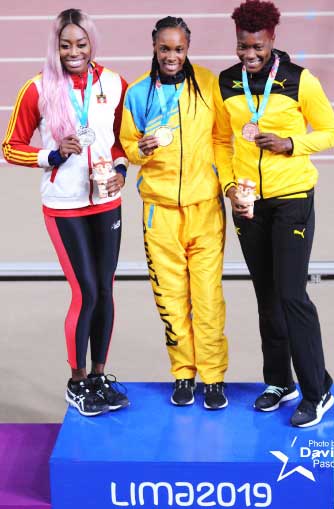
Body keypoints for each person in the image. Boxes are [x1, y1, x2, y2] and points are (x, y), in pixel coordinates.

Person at [214, 0, 334, 427]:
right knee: (266, 298)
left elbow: (330, 132)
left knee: (291, 296)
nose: (249, 55)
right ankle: (279, 381)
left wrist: (292, 144)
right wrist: (230, 186)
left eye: (258, 47)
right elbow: (221, 141)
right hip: (249, 202)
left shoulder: (299, 81)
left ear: (272, 40)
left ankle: (316, 389)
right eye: (243, 47)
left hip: (291, 199)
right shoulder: (227, 83)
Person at [2, 8, 130, 417]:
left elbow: (121, 141)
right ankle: (76, 382)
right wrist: (51, 155)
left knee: (107, 290)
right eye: (65, 45)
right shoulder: (38, 88)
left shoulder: (112, 83)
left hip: (106, 200)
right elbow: (10, 146)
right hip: (65, 206)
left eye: (81, 43)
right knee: (87, 292)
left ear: (92, 43)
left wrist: (122, 171)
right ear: (55, 47)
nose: (74, 52)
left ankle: (98, 376)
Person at [120, 16, 228, 409]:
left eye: (178, 49)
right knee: (170, 299)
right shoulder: (137, 93)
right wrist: (138, 150)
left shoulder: (208, 84)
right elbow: (127, 145)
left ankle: (213, 377)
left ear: (188, 48)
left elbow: (221, 137)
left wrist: (223, 182)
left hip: (204, 209)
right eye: (165, 48)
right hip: (159, 212)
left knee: (207, 298)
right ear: (153, 45)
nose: (171, 56)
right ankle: (184, 374)